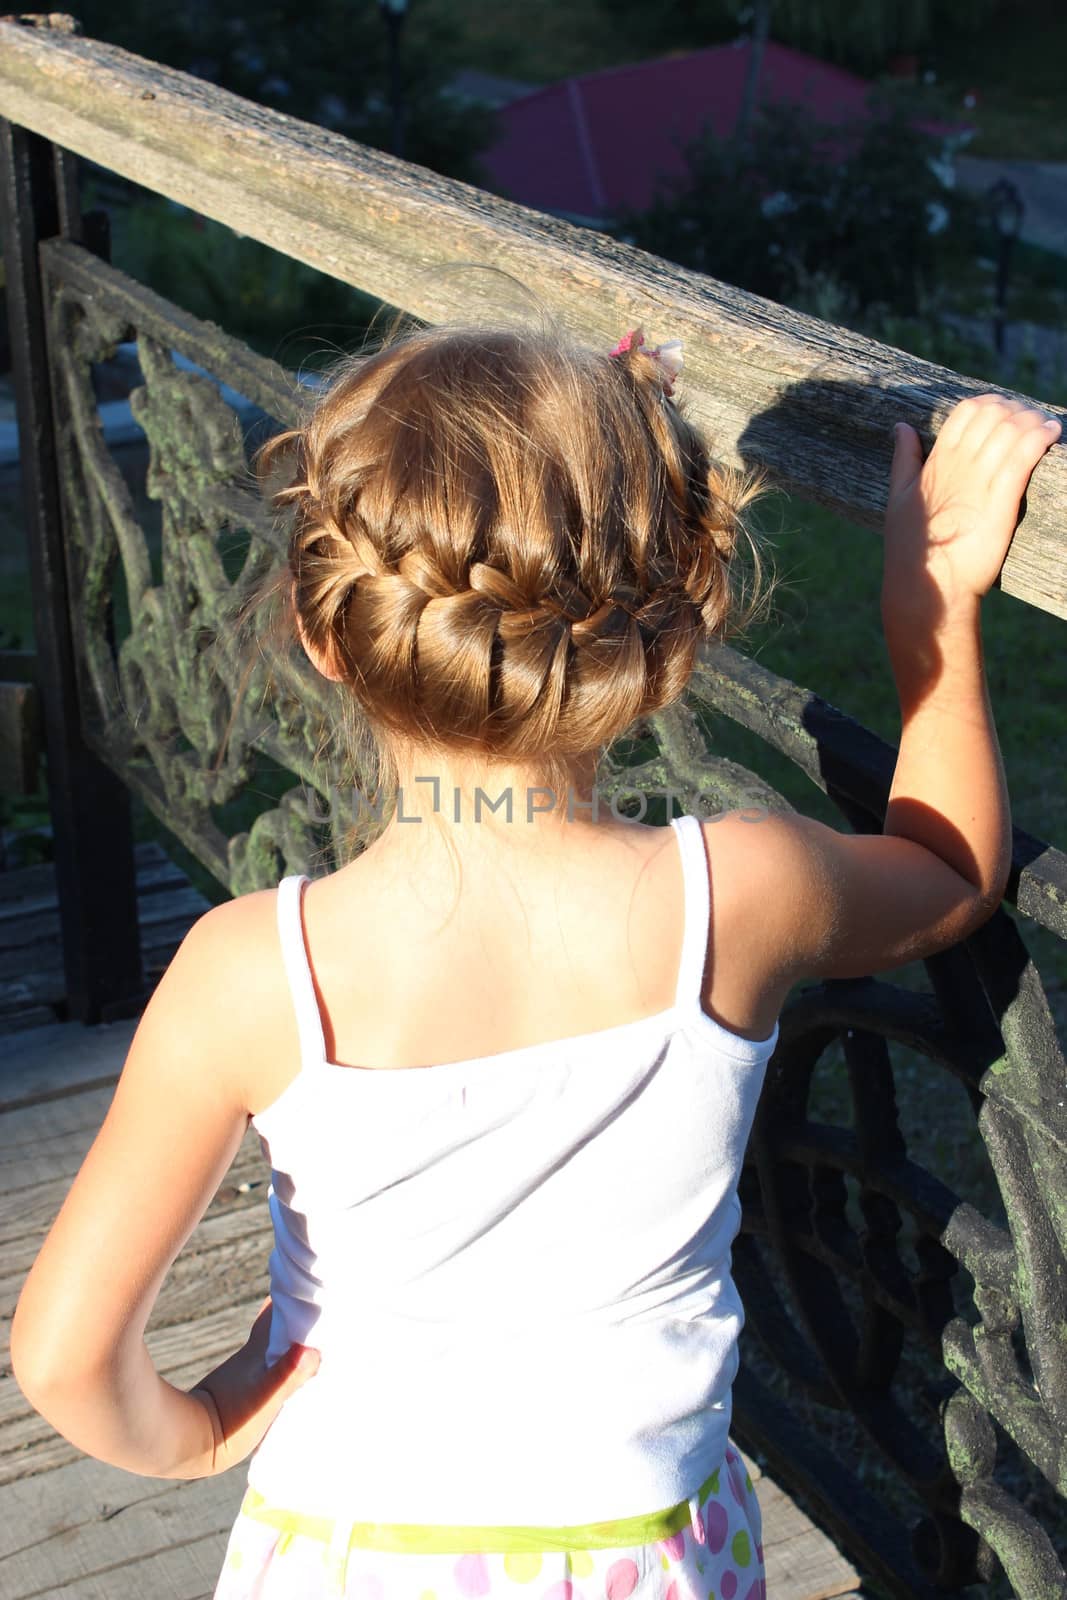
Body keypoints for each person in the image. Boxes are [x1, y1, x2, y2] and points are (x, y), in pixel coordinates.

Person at [10, 321, 1060, 1600]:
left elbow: (64, 1358)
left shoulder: (251, 972)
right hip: (647, 1551)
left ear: (323, 633)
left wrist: (199, 1431)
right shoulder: (738, 894)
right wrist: (928, 617)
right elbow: (949, 880)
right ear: (663, 636)